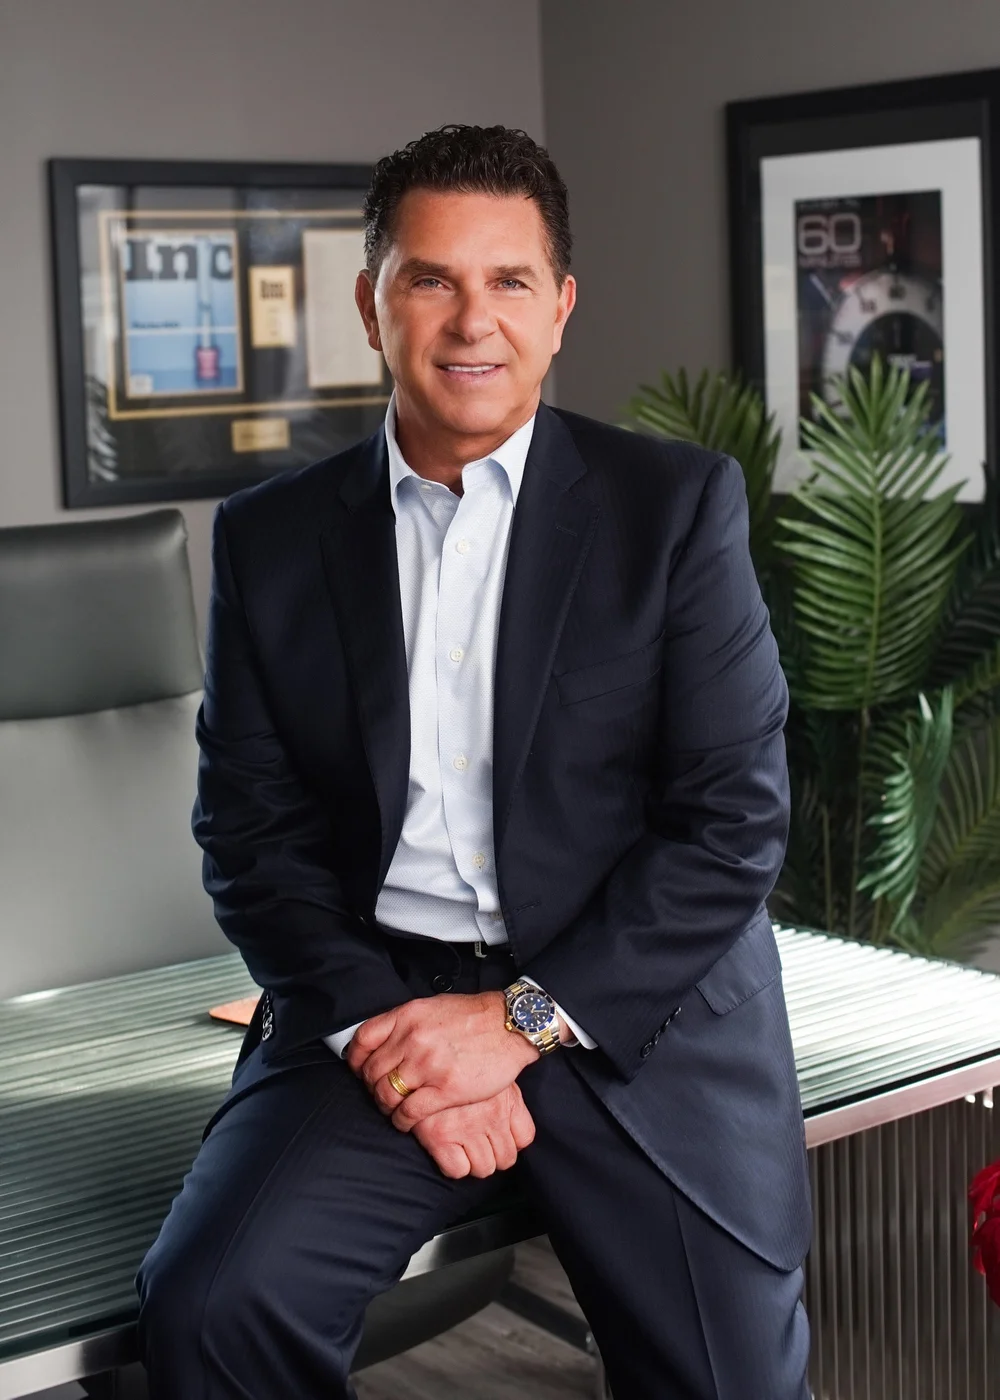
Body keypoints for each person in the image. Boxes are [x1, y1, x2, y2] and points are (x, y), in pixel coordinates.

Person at [135, 123, 812, 1399]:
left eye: (508, 280)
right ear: (370, 303)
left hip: (636, 1015)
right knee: (216, 1306)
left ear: (560, 308)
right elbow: (252, 836)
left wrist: (514, 1024)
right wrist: (393, 1037)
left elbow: (731, 825)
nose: (470, 320)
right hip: (379, 1003)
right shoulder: (271, 540)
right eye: (430, 279)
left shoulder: (673, 509)